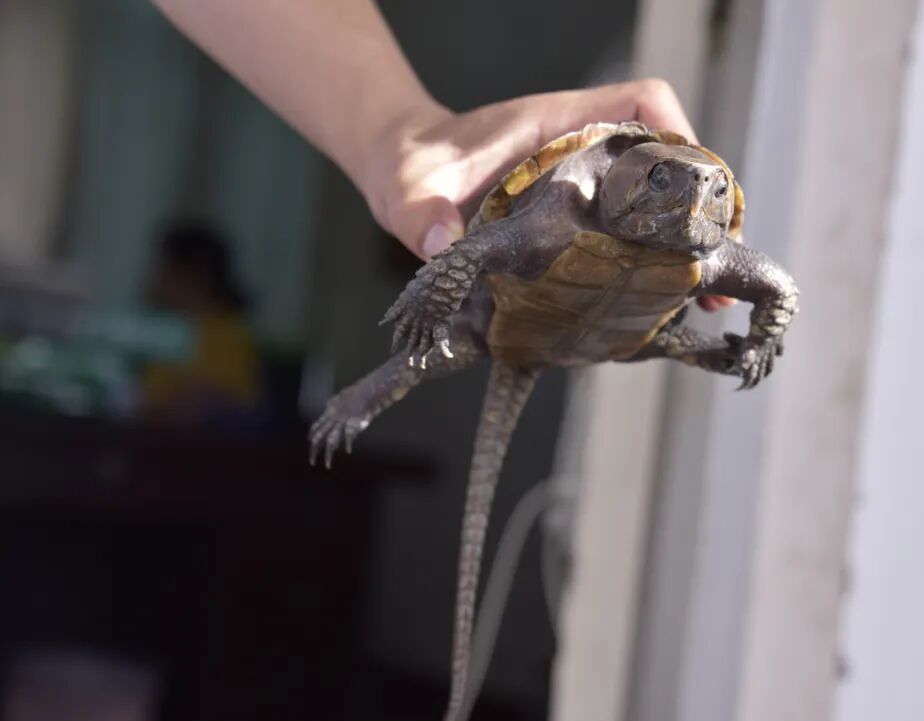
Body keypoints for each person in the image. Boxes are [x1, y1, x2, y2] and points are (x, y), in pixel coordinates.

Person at [152, 0, 733, 310]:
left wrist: (395, 134)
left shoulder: (704, 249)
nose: (696, 194)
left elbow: (765, 282)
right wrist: (397, 133)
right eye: (665, 179)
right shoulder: (566, 198)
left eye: (716, 191)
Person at [140, 221, 263, 428]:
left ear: (194, 274)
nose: (154, 276)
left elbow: (221, 406)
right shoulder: (161, 330)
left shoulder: (229, 335)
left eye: (164, 266)